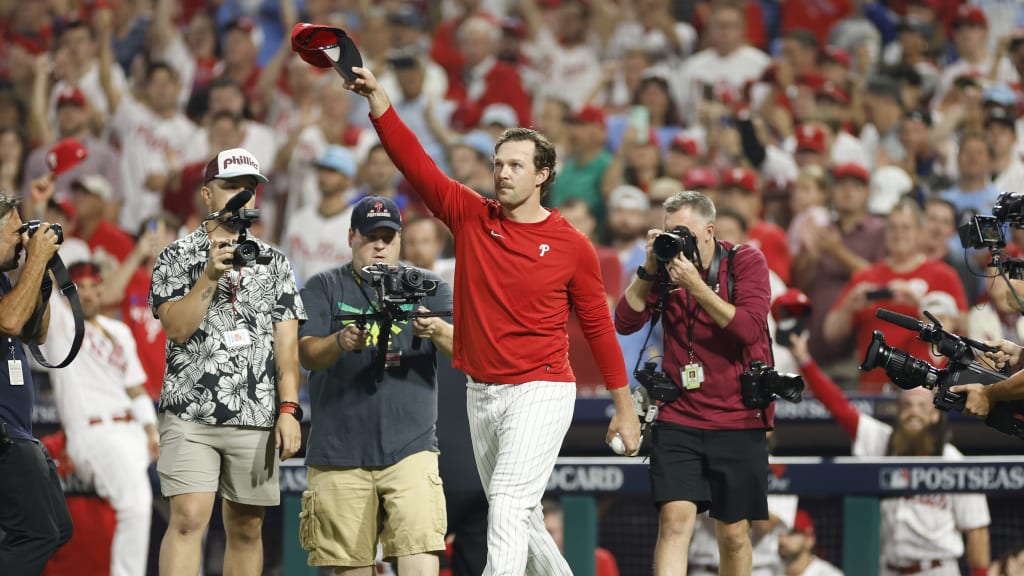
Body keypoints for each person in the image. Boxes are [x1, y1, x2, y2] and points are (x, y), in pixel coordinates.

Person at [343, 65, 640, 576]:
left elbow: (597, 326)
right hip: (482, 392)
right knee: (519, 517)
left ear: (543, 175)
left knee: (503, 503)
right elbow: (415, 165)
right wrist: (380, 102)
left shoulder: (572, 246)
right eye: (498, 164)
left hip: (542, 389)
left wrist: (624, 405)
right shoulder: (471, 216)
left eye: (516, 166)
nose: (502, 173)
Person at [149, 147, 307, 576]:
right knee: (187, 518)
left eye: (250, 188)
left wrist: (289, 410)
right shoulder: (176, 256)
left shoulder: (274, 262)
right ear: (206, 194)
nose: (242, 196)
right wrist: (209, 275)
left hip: (255, 414)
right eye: (231, 187)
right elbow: (177, 329)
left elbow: (287, 349)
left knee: (247, 529)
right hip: (190, 411)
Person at [615, 190, 774, 575]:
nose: (676, 241)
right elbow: (625, 321)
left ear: (709, 231)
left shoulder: (744, 261)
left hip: (738, 417)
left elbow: (748, 330)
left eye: (683, 232)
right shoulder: (664, 269)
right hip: (680, 417)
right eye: (669, 232)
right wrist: (650, 267)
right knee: (673, 523)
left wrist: (697, 287)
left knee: (734, 533)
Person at [296, 195, 453, 573]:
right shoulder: (324, 286)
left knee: (420, 559)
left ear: (399, 240)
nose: (380, 245)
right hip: (340, 453)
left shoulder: (426, 285)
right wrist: (340, 341)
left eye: (388, 236)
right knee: (352, 568)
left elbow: (467, 350)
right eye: (370, 236)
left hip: (411, 448)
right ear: (351, 236)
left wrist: (436, 328)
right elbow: (305, 354)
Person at [786, 331, 991, 575]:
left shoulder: (952, 459)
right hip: (889, 569)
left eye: (921, 406)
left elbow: (976, 531)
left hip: (936, 568)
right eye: (906, 406)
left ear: (936, 414)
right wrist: (803, 359)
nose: (913, 412)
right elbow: (839, 407)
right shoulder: (882, 441)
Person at [41, 260, 157, 576]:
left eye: (94, 287)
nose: (88, 295)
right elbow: (44, 286)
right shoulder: (61, 327)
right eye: (80, 288)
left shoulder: (119, 331)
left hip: (134, 433)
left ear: (103, 289)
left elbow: (135, 389)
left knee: (187, 500)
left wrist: (151, 430)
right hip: (94, 433)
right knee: (136, 503)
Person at [0, 184, 73, 574]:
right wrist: (35, 260)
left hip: (16, 431)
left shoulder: (3, 280)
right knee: (37, 535)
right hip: (4, 435)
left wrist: (39, 267)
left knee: (57, 529)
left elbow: (33, 333)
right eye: (14, 233)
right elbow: (10, 320)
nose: (22, 239)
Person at [777, 510, 843, 576]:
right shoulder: (770, 571)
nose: (783, 540)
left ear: (809, 540)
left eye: (792, 533)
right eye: (781, 533)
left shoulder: (827, 574)